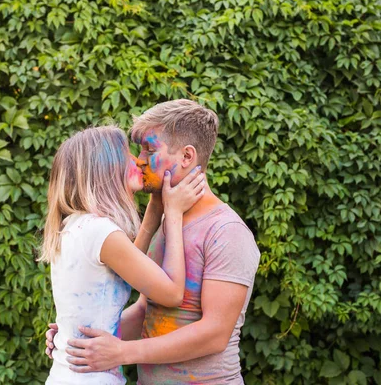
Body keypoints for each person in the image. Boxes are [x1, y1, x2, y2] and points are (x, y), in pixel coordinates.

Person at [45, 100, 261, 384]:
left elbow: (214, 334)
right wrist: (80, 340)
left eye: (149, 149)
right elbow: (147, 311)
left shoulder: (226, 231)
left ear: (186, 156)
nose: (139, 160)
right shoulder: (166, 224)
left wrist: (123, 352)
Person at [39, 125, 206, 384]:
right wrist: (173, 214)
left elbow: (125, 273)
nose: (138, 160)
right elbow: (172, 293)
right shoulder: (99, 232)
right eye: (128, 154)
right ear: (106, 168)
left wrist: (155, 209)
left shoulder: (76, 225)